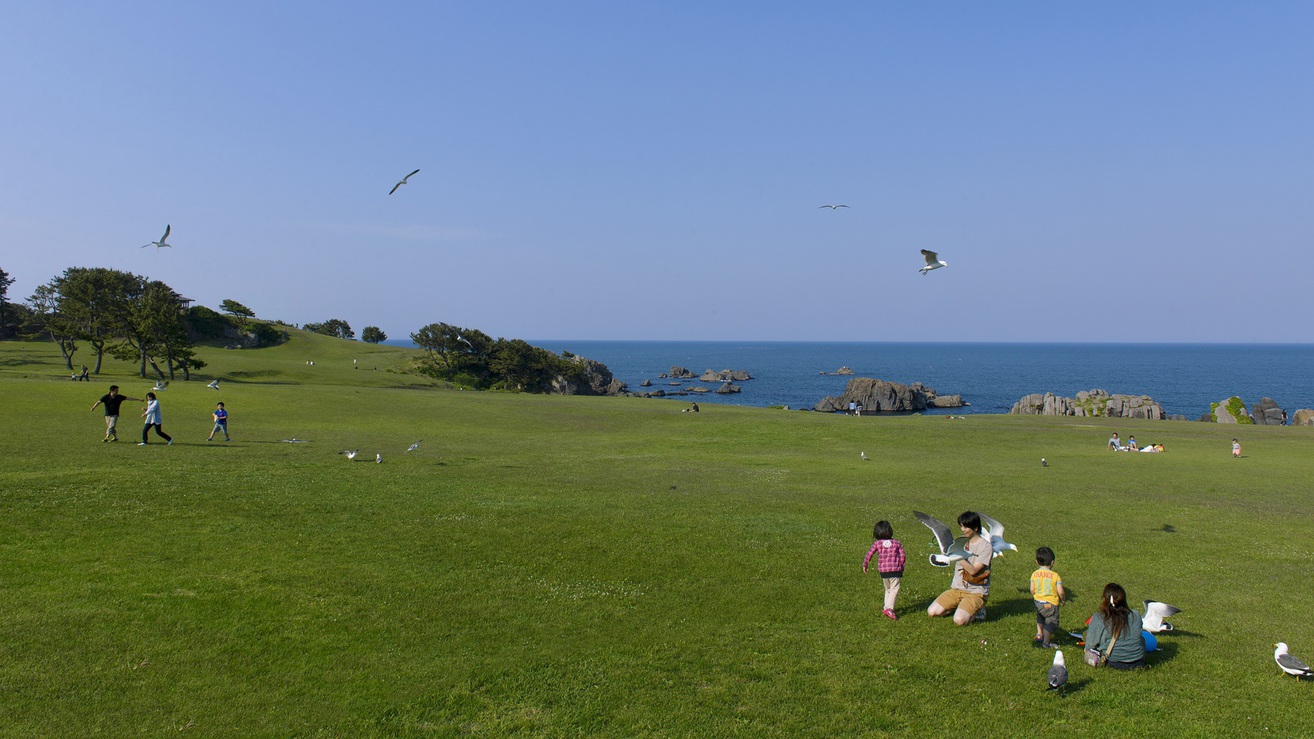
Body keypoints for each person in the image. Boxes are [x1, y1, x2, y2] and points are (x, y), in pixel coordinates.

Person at [927, 511, 993, 625]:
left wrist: (957, 556)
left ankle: (979, 611)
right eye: (961, 526)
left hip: (976, 591)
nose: (962, 529)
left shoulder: (986, 547)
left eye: (966, 527)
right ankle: (960, 607)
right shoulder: (960, 542)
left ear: (975, 528)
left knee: (959, 620)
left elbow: (973, 571)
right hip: (957, 589)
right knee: (932, 612)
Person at [1085, 582, 1146, 670]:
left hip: (1112, 661)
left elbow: (1090, 645)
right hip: (1138, 661)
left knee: (1086, 635)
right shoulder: (1136, 615)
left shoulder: (1100, 617)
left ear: (1105, 600)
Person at [863, 520, 906, 621]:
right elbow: (903, 555)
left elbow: (869, 554)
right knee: (895, 588)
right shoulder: (897, 543)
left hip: (883, 571)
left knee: (888, 589)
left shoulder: (877, 544)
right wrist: (902, 565)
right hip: (895, 569)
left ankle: (886, 607)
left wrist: (865, 564)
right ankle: (889, 608)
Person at [1030, 546, 1065, 648]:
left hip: (1038, 602)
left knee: (1040, 617)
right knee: (1051, 622)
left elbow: (1032, 589)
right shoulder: (1055, 576)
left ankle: (1039, 634)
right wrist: (1063, 599)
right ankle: (1046, 643)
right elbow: (1061, 592)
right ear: (1052, 562)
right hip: (1051, 604)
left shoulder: (1034, 574)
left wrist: (1035, 596)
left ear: (1037, 562)